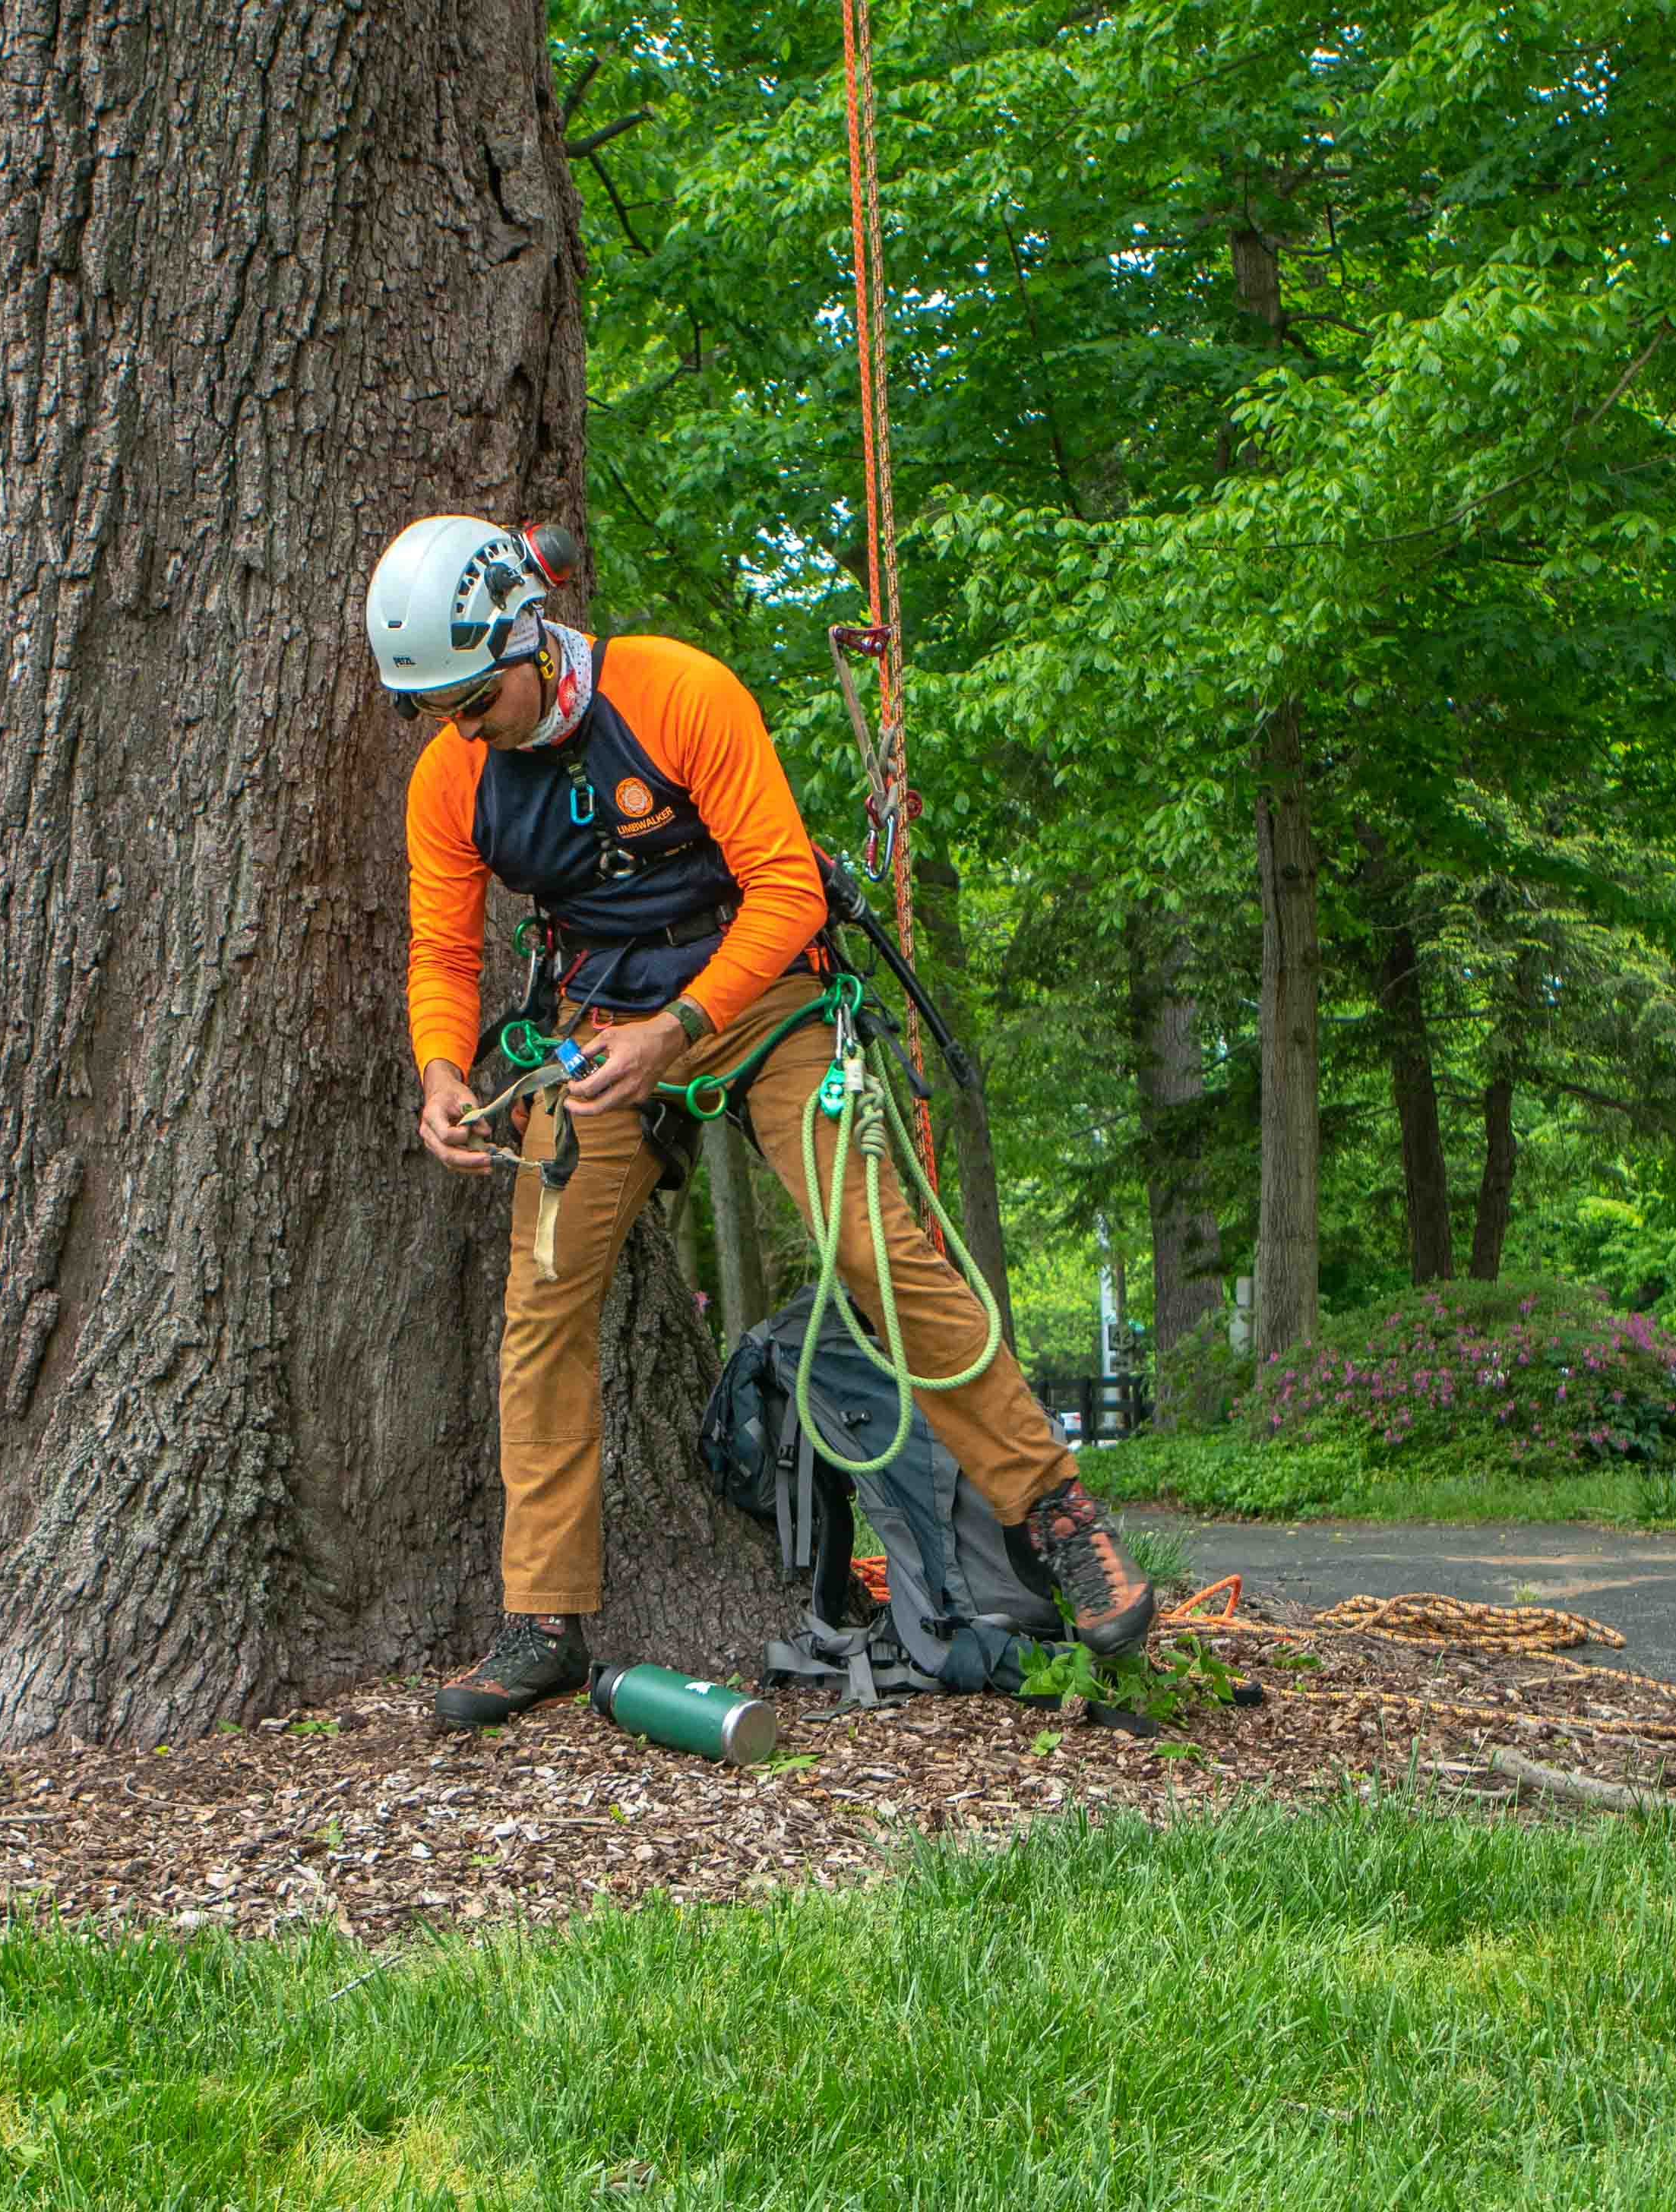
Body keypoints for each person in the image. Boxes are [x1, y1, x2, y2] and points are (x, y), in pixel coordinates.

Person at [368, 514, 1153, 1727]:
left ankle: (1055, 1512)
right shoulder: (453, 779)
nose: (466, 725)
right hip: (593, 1026)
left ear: (530, 632)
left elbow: (784, 886)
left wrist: (678, 1030)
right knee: (541, 1299)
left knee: (875, 1249)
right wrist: (438, 1071)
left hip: (758, 993)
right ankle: (542, 1621)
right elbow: (441, 947)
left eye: (477, 698)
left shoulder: (679, 692)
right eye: (444, 711)